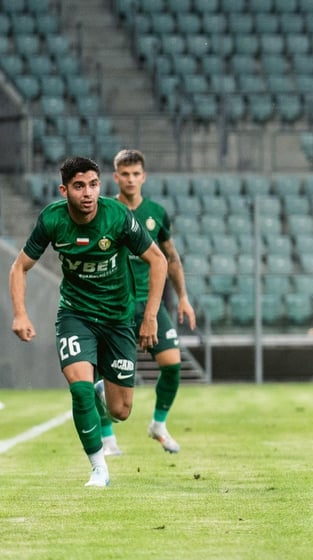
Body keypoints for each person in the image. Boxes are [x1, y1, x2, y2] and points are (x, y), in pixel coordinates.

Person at [9, 156, 167, 487]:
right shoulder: (52, 220)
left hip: (117, 318)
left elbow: (158, 260)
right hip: (75, 315)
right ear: (64, 189)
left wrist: (150, 316)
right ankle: (99, 468)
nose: (88, 193)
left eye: (93, 185)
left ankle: (102, 391)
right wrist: (20, 312)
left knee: (121, 411)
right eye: (79, 186)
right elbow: (19, 267)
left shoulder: (118, 216)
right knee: (79, 390)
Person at [102, 148, 197, 456]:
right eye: (124, 174)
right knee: (111, 376)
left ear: (144, 176)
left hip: (151, 304)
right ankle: (107, 439)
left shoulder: (156, 212)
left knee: (172, 365)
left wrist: (183, 297)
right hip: (116, 305)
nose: (130, 179)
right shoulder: (105, 211)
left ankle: (158, 424)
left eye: (135, 174)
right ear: (116, 177)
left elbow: (170, 257)